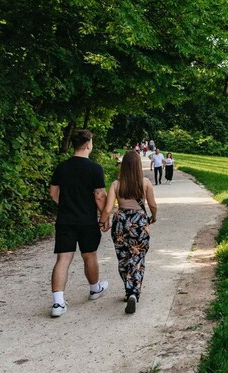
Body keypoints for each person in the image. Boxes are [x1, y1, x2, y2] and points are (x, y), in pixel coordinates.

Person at [48, 129, 109, 318]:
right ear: (89, 144)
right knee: (89, 255)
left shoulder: (62, 167)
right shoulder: (94, 168)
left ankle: (58, 303)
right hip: (86, 220)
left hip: (65, 220)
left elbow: (53, 192)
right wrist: (104, 217)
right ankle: (94, 288)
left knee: (63, 259)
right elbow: (99, 196)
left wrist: (66, 204)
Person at [100, 151, 157, 314]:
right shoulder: (145, 183)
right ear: (138, 165)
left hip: (121, 222)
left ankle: (128, 289)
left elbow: (108, 208)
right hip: (139, 222)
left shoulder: (116, 185)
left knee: (123, 257)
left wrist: (102, 222)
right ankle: (133, 292)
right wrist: (153, 217)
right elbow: (153, 205)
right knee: (137, 257)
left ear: (123, 165)